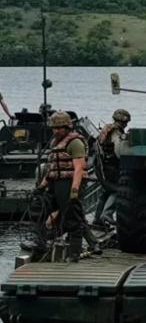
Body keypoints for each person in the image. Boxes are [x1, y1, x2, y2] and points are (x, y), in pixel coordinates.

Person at [37, 111, 92, 261]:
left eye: (59, 128)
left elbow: (79, 168)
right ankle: (41, 242)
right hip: (55, 182)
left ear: (67, 127)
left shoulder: (75, 143)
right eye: (54, 128)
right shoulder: (57, 143)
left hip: (68, 182)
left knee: (72, 219)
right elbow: (52, 167)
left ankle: (74, 254)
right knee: (43, 210)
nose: (55, 131)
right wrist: (42, 186)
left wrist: (74, 190)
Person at [93, 109, 130, 228]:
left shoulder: (106, 129)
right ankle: (107, 214)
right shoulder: (116, 133)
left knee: (106, 191)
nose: (126, 124)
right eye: (125, 122)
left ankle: (98, 219)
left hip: (100, 165)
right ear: (121, 121)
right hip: (109, 166)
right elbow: (119, 152)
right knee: (118, 190)